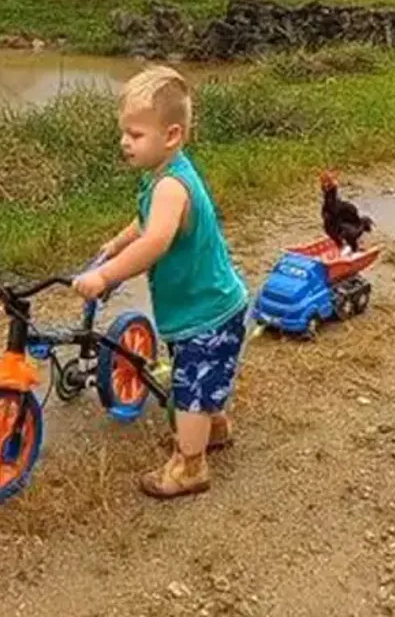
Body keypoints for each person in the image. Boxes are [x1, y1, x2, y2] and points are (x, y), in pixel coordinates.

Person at [73, 65, 249, 499]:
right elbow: (144, 224)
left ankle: (191, 467)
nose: (124, 143)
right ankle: (215, 429)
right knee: (202, 377)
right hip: (203, 309)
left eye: (135, 135)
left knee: (189, 391)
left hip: (207, 313)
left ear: (170, 136)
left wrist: (105, 275)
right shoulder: (161, 178)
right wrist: (117, 241)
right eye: (124, 133)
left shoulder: (172, 187)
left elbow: (155, 241)